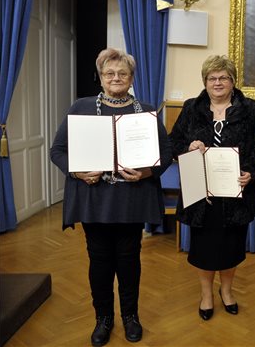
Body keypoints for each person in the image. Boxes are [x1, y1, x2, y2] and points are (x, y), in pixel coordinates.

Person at [50, 48, 173, 346]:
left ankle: (131, 316)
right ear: (101, 77)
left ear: (131, 78)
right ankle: (103, 318)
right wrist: (77, 172)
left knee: (130, 260)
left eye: (122, 73)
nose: (116, 78)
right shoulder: (80, 108)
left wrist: (146, 173)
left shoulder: (145, 111)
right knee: (100, 261)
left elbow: (166, 153)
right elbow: (58, 151)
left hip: (132, 198)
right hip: (94, 198)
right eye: (110, 73)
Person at [169, 55, 255, 321]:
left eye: (223, 77)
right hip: (201, 195)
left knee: (231, 247)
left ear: (233, 81)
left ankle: (227, 292)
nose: (217, 82)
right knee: (203, 249)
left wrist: (251, 171)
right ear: (205, 81)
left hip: (236, 194)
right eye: (212, 78)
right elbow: (173, 142)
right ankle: (206, 295)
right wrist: (188, 147)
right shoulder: (192, 107)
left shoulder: (250, 108)